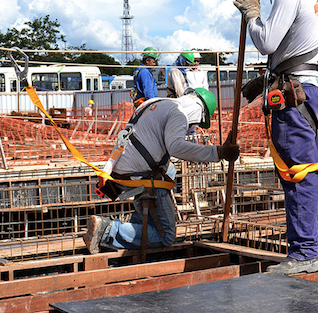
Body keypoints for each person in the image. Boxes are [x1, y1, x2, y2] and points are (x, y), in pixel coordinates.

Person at [234, 0, 318, 275]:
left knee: (297, 172)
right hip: (315, 89)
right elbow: (299, 49)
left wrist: (253, 16)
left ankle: (304, 252)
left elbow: (267, 42)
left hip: (296, 95)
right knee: (313, 169)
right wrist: (265, 80)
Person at [83, 88, 239, 253]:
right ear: (200, 112)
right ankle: (107, 229)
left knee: (169, 170)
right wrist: (218, 152)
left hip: (123, 170)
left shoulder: (155, 102)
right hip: (140, 176)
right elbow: (176, 147)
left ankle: (137, 224)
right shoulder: (178, 113)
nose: (192, 127)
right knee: (166, 236)